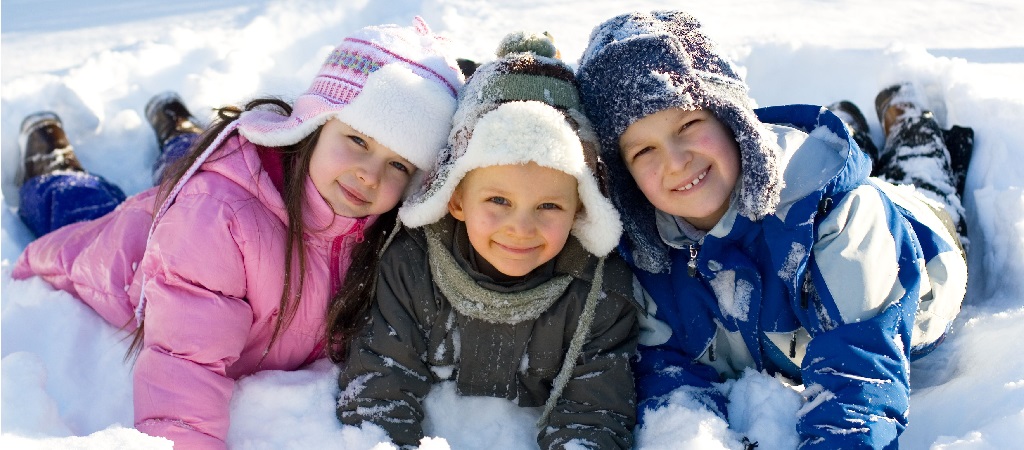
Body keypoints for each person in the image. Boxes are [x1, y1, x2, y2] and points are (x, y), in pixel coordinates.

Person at [11, 17, 464, 449]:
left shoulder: (384, 231)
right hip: (128, 250)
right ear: (314, 124)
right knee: (82, 206)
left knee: (181, 163)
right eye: (358, 141)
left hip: (195, 205)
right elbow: (184, 366)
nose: (369, 174)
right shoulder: (217, 221)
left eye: (399, 164)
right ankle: (51, 161)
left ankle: (179, 129)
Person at [574, 10, 969, 449]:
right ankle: (851, 129)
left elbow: (857, 375)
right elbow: (666, 371)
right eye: (644, 149)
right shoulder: (648, 250)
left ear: (732, 118)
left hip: (917, 244)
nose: (675, 160)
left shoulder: (840, 217)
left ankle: (914, 133)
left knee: (920, 183)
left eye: (688, 124)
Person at [333, 32, 641, 449]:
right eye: (498, 200)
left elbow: (594, 415)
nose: (521, 228)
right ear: (456, 199)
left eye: (549, 206)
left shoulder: (597, 295)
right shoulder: (412, 267)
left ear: (580, 209)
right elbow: (380, 385)